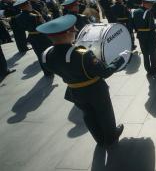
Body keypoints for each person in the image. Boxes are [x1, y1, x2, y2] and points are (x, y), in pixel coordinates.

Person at [37, 14, 128, 147]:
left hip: (74, 91)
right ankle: (111, 136)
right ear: (67, 34)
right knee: (105, 113)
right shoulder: (82, 54)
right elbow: (105, 72)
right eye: (73, 30)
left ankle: (99, 139)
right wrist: (120, 59)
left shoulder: (46, 55)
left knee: (88, 114)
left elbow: (57, 68)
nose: (75, 31)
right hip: (95, 90)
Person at [14, 0, 54, 78]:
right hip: (41, 37)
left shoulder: (18, 17)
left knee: (39, 55)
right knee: (48, 53)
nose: (30, 5)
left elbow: (22, 28)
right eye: (28, 4)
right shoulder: (34, 15)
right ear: (24, 6)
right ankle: (52, 69)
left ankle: (47, 72)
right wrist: (48, 17)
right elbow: (44, 23)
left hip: (32, 37)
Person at [132, 0, 156, 77]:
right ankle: (154, 69)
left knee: (145, 54)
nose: (152, 5)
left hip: (141, 35)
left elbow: (133, 24)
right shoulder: (148, 12)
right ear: (145, 3)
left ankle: (148, 70)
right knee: (152, 53)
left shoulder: (135, 11)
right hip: (150, 36)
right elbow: (151, 26)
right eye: (150, 4)